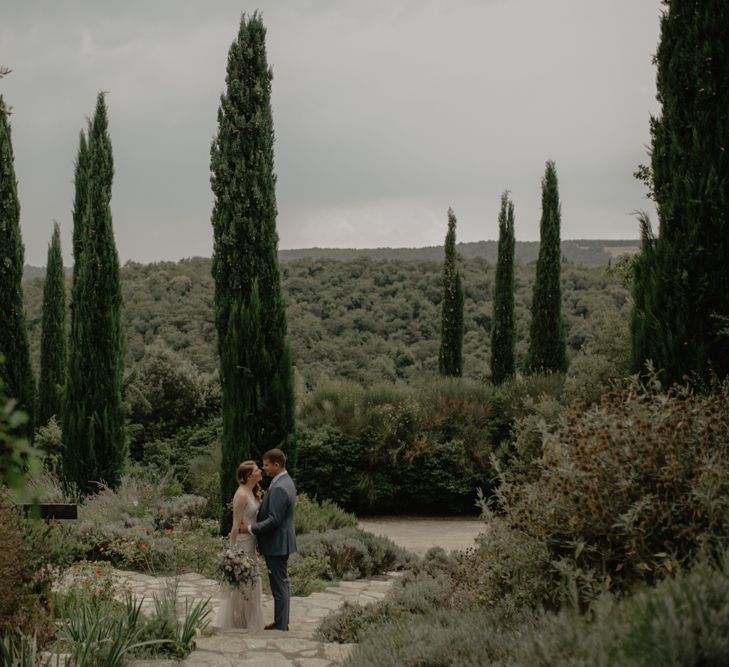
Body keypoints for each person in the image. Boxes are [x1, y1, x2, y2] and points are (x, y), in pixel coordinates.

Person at [240, 448, 297, 631]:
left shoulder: (280, 487)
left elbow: (274, 520)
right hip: (280, 541)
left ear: (277, 465)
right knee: (281, 583)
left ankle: (281, 624)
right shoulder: (284, 481)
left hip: (277, 543)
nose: (264, 469)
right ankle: (281, 621)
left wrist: (249, 528)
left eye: (266, 465)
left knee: (279, 585)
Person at [215, 460, 264, 630]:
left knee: (251, 582)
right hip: (242, 545)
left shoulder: (252, 492)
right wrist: (232, 552)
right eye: (257, 469)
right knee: (244, 583)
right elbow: (235, 526)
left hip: (251, 542)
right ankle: (240, 621)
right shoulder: (241, 495)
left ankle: (247, 619)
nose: (260, 471)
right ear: (249, 476)